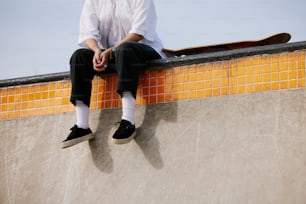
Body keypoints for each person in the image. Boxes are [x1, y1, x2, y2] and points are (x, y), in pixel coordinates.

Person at [61, 0, 165, 148]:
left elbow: (139, 32)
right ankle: (82, 125)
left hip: (142, 51)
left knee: (125, 50)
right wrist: (97, 50)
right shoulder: (93, 2)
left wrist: (111, 51)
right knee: (79, 56)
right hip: (109, 55)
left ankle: (128, 121)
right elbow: (87, 34)